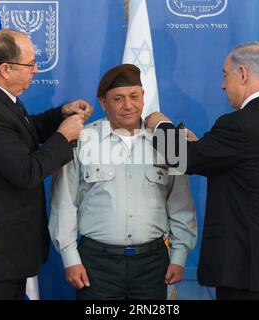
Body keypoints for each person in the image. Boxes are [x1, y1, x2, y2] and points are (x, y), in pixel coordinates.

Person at [146, 42, 259, 300]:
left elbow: (182, 158)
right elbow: (249, 169)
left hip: (248, 269)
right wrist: (204, 148)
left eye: (225, 74)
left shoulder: (239, 124)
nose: (222, 85)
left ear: (242, 73)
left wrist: (160, 125)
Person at [0, 29, 92, 299]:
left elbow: (22, 134)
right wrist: (64, 136)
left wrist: (59, 114)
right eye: (30, 64)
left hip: (7, 250)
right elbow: (26, 172)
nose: (36, 70)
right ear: (6, 69)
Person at [48, 64, 197, 300]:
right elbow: (64, 203)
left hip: (152, 265)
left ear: (143, 96)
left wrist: (179, 255)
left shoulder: (168, 143)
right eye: (118, 98)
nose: (128, 105)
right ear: (103, 102)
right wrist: (70, 258)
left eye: (134, 96)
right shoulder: (82, 140)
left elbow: (181, 205)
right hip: (96, 265)